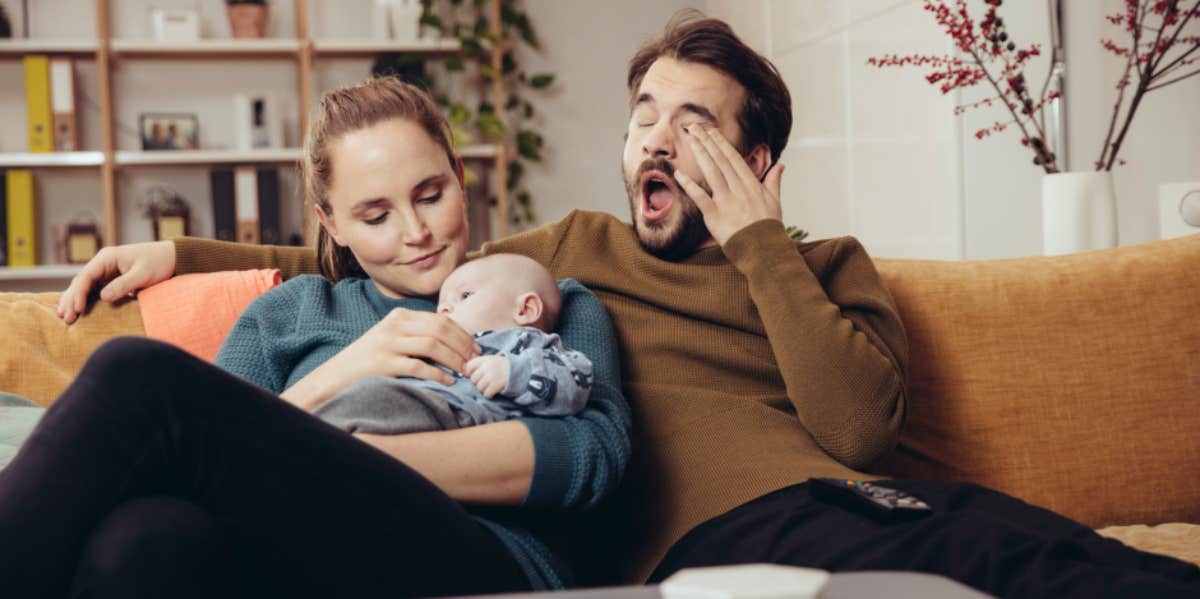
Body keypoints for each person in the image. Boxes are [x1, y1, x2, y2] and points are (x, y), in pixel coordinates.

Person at [57, 11, 1200, 599]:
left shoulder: (829, 263)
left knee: (1066, 564)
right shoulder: (571, 253)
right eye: (646, 111)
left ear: (759, 159)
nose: (658, 137)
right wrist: (178, 250)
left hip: (855, 496)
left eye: (694, 123)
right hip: (711, 536)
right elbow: (376, 246)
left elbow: (858, 427)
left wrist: (756, 235)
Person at [4, 77, 629, 598]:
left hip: (483, 562)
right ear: (330, 221)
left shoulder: (545, 296)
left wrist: (335, 455)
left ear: (461, 176)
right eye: (376, 216)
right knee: (143, 537)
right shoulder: (288, 312)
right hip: (289, 560)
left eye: (431, 195)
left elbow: (587, 457)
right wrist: (348, 368)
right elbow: (198, 460)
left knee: (135, 374)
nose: (415, 231)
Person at [307, 253, 595, 434]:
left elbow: (577, 385)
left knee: (365, 401)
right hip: (414, 404)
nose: (443, 310)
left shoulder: (527, 343)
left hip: (459, 412)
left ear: (525, 309)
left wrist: (511, 373)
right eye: (442, 303)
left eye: (465, 296)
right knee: (358, 402)